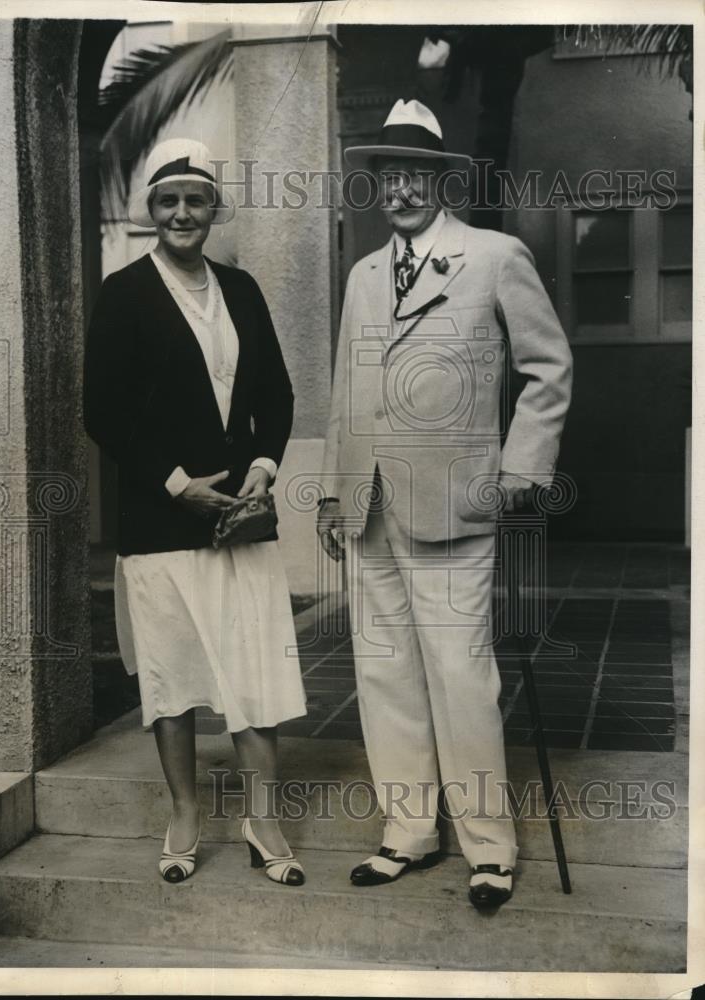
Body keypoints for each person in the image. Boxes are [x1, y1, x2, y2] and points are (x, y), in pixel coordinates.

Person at [317, 100, 573, 909]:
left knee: (462, 677)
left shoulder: (493, 256)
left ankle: (488, 850)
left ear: (439, 180)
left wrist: (522, 468)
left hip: (457, 503)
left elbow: (548, 368)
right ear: (377, 187)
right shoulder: (362, 275)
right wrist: (331, 487)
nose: (399, 190)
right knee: (386, 670)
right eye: (386, 178)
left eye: (413, 175)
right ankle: (408, 833)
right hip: (370, 504)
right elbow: (345, 394)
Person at [84, 137, 307, 887]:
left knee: (254, 672)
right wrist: (178, 483)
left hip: (237, 517)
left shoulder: (240, 288)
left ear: (214, 209)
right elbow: (103, 412)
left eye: (196, 200)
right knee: (172, 676)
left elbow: (275, 392)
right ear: (151, 212)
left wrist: (262, 469)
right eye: (168, 201)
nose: (183, 213)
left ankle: (262, 817)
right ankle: (184, 812)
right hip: (159, 520)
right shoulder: (122, 292)